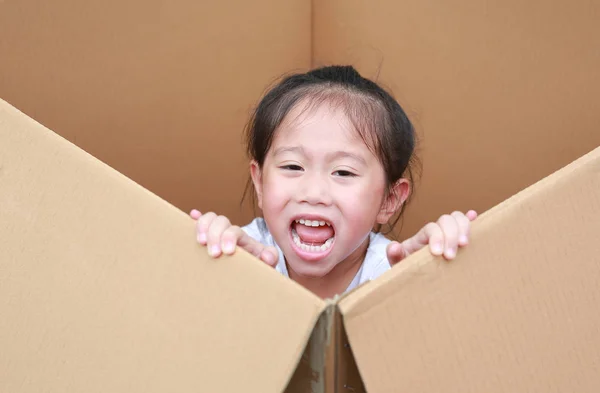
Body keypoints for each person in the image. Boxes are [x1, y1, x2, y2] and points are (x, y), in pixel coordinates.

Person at [190, 65, 477, 299]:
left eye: (343, 172)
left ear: (389, 200)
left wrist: (441, 273)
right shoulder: (241, 254)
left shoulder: (394, 270)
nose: (314, 193)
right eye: (292, 166)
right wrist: (209, 266)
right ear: (261, 184)